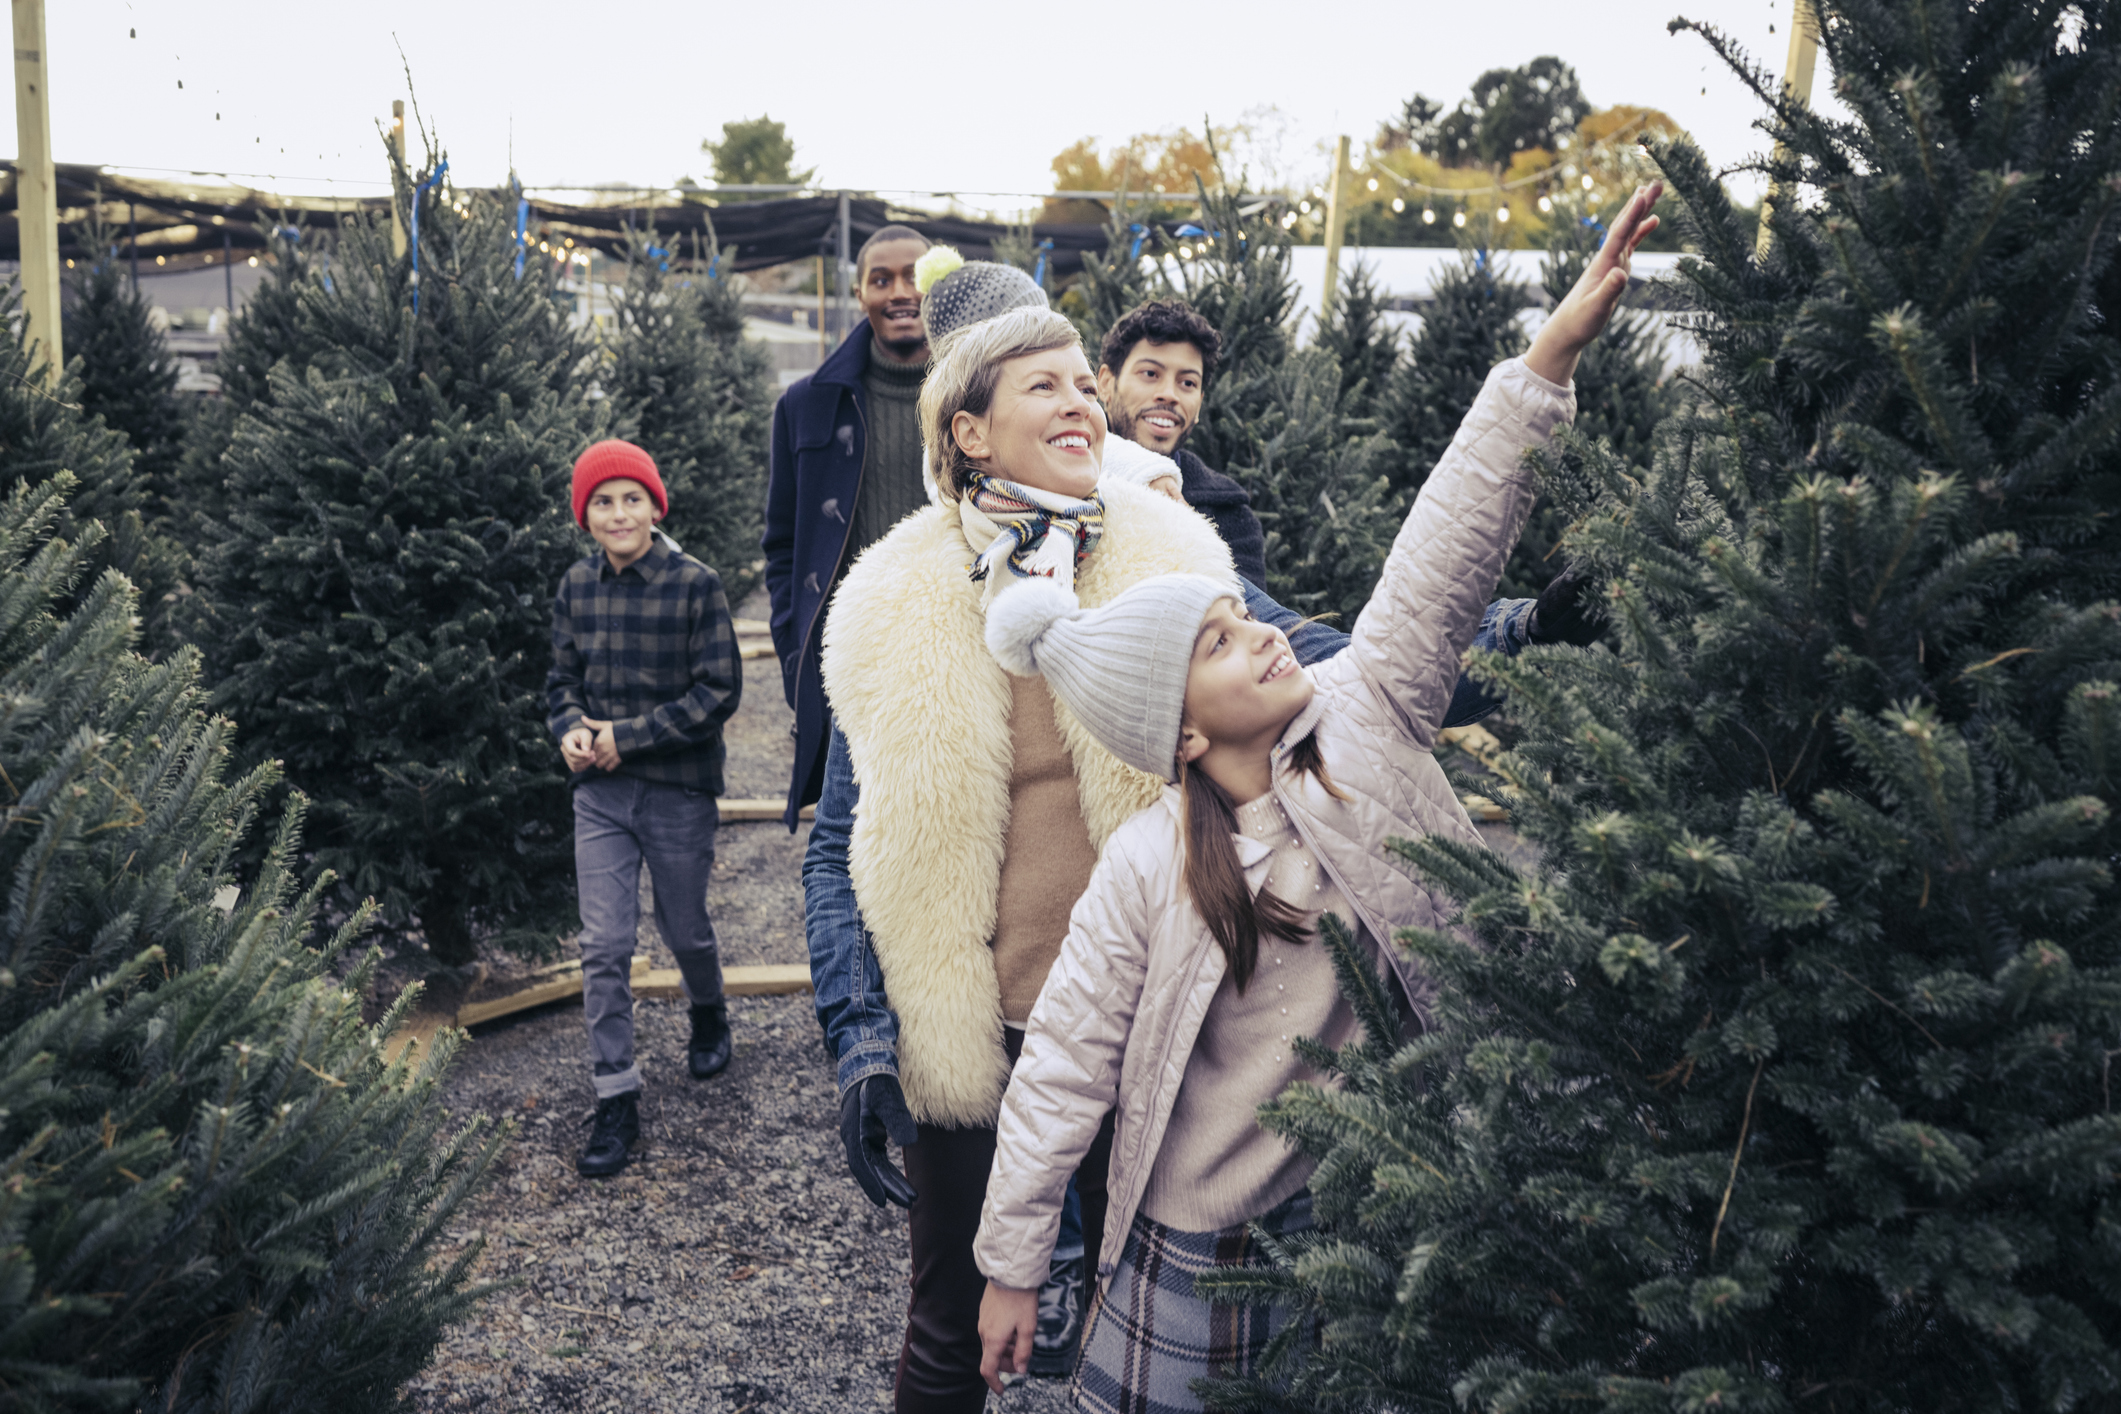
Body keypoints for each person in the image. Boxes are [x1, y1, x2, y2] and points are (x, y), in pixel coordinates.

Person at [969, 184, 1665, 1410]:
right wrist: (1013, 1266)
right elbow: (1065, 1068)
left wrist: (1545, 360)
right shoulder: (1147, 868)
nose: (1265, 643)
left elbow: (1442, 554)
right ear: (1179, 733)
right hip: (1203, 1245)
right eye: (1221, 642)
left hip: (1386, 1216)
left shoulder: (1366, 720)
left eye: (1245, 618)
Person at [547, 440, 744, 1179]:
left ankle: (708, 1007)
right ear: (585, 515)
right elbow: (558, 681)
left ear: (654, 507)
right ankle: (615, 1093)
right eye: (603, 501)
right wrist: (569, 728)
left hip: (675, 789)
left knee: (684, 928)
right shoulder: (575, 586)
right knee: (603, 945)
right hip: (598, 795)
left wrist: (622, 738)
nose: (618, 512)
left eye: (632, 498)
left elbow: (716, 692)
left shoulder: (694, 585)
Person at [762, 222, 935, 830]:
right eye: (880, 279)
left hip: (955, 652)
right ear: (860, 293)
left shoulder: (982, 393)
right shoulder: (808, 403)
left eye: (913, 275)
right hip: (853, 661)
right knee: (846, 837)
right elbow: (783, 543)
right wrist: (794, 656)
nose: (899, 292)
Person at [1093, 298, 1266, 586]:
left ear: (1199, 404)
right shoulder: (1062, 482)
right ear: (1106, 383)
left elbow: (1249, 616)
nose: (1169, 394)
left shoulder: (1230, 514)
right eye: (1150, 374)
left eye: (1187, 383)